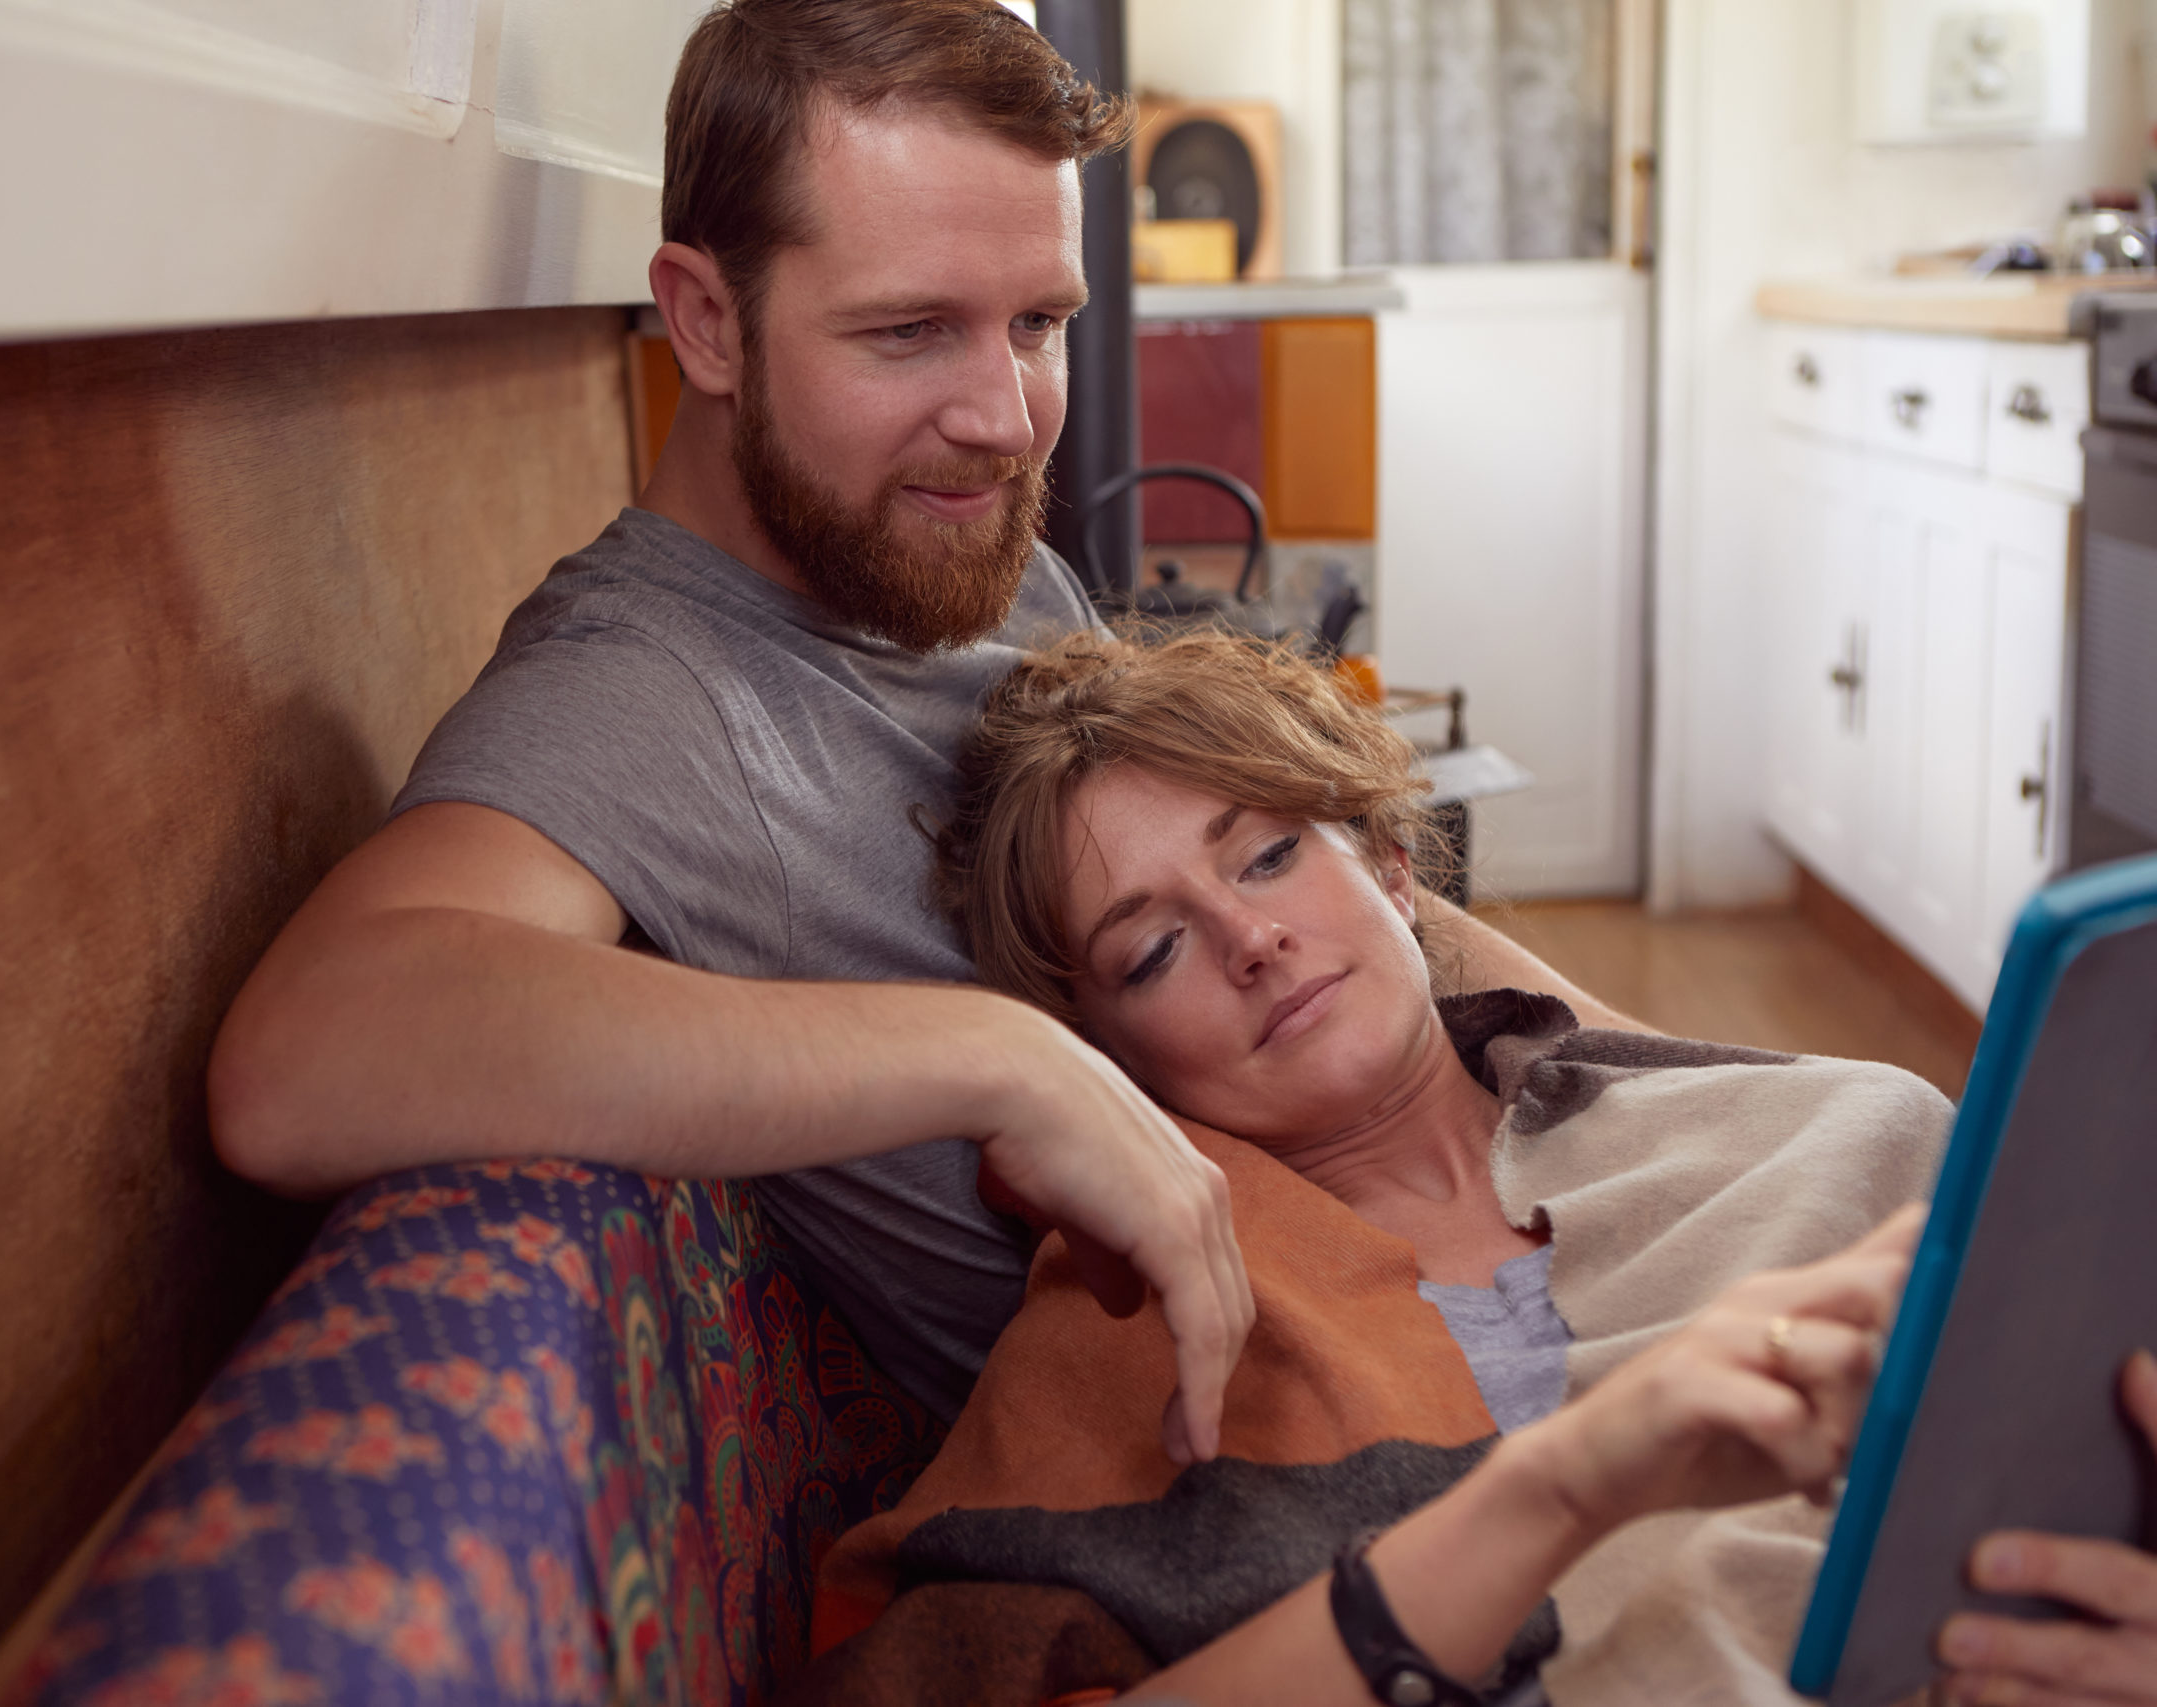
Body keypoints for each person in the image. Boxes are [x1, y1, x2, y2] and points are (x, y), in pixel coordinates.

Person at [204, 0, 1634, 1465]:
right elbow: (303, 1058)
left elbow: (1362, 914)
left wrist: (1686, 1099)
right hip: (1311, 1465)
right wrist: (1001, 1061)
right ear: (706, 319)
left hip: (1517, 1269)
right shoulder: (648, 697)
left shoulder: (971, 555)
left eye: (1040, 323)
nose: (1008, 419)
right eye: (909, 332)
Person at [851, 624, 2157, 1706]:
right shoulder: (1132, 1348)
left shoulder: (1844, 1131)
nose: (1249, 935)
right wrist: (1571, 1481)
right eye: (1152, 952)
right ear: (1106, 1057)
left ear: (1395, 867)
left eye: (1269, 852)